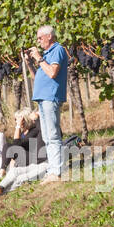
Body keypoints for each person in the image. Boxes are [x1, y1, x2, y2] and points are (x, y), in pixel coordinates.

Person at [29, 24, 69, 181]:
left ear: (49, 36)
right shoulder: (46, 55)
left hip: (50, 97)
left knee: (52, 135)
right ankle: (53, 170)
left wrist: (39, 58)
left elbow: (52, 73)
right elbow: (39, 76)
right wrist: (30, 63)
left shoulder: (57, 50)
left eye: (40, 37)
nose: (38, 41)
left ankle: (57, 172)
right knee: (46, 136)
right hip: (42, 97)